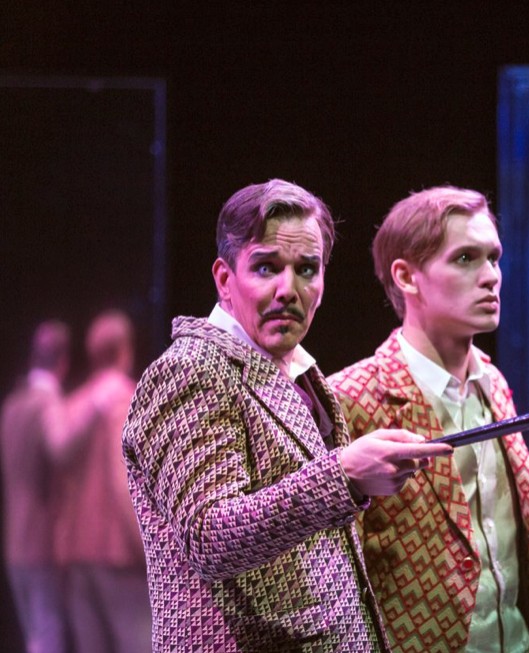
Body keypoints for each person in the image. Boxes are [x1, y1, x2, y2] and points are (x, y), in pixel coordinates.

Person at [121, 179, 451, 652]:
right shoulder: (191, 369)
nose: (288, 290)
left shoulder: (300, 371)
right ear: (224, 279)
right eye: (266, 267)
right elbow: (209, 537)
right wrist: (345, 476)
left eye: (306, 269)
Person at [328, 186, 529, 652]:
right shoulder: (349, 398)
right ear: (407, 276)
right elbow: (333, 576)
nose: (490, 276)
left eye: (493, 258)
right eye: (465, 259)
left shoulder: (493, 383)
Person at [51, 310, 151, 653]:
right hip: (118, 553)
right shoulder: (128, 402)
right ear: (125, 349)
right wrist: (146, 548)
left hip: (77, 553)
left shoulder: (75, 404)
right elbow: (124, 483)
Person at [0, 320, 72, 653]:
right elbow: (60, 450)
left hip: (14, 542)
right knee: (49, 637)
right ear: (63, 362)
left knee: (35, 638)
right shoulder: (48, 404)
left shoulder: (11, 405)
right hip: (43, 542)